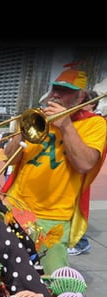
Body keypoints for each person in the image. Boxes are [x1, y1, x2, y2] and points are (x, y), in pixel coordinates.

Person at [2, 66, 107, 274]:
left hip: (54, 217)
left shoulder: (94, 124)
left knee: (52, 278)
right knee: (5, 270)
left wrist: (65, 125)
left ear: (80, 97)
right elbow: (9, 157)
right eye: (55, 89)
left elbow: (85, 164)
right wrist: (22, 132)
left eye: (65, 91)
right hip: (16, 206)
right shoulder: (39, 117)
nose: (57, 95)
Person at [67, 89, 106, 256]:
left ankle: (80, 243)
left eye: (85, 102)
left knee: (75, 208)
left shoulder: (96, 122)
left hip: (78, 174)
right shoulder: (74, 119)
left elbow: (87, 160)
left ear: (92, 104)